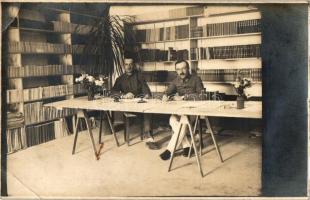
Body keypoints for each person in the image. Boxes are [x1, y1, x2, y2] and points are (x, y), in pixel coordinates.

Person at [160, 60, 204, 160]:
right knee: (172, 119)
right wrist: (165, 95)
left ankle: (169, 150)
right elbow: (167, 92)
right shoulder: (175, 81)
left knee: (184, 121)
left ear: (188, 68)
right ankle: (187, 146)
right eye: (178, 69)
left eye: (184, 68)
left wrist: (184, 97)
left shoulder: (196, 79)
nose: (181, 71)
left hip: (193, 111)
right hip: (180, 110)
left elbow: (202, 95)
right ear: (176, 71)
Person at [111, 58, 157, 146]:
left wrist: (146, 95)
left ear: (134, 65)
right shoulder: (120, 79)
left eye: (131, 64)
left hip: (139, 105)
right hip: (127, 107)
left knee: (147, 110)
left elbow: (146, 90)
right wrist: (123, 96)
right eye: (126, 64)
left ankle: (148, 135)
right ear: (123, 65)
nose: (129, 66)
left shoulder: (139, 76)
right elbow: (112, 92)